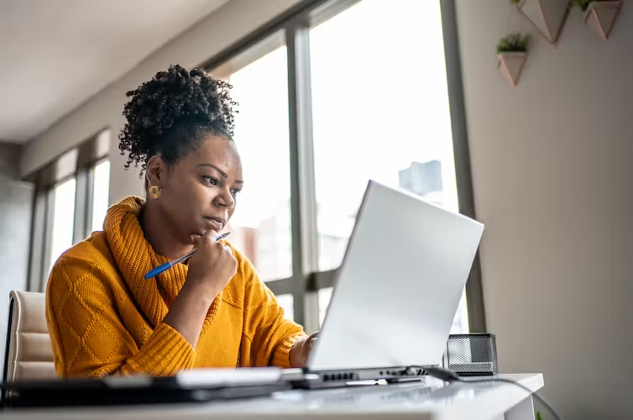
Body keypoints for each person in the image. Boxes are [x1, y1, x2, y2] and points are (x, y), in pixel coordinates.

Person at [46, 65, 315, 378]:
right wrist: (199, 290)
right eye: (211, 180)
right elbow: (111, 411)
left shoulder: (235, 269)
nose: (227, 200)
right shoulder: (82, 271)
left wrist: (304, 348)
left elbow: (276, 338)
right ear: (158, 172)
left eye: (235, 190)